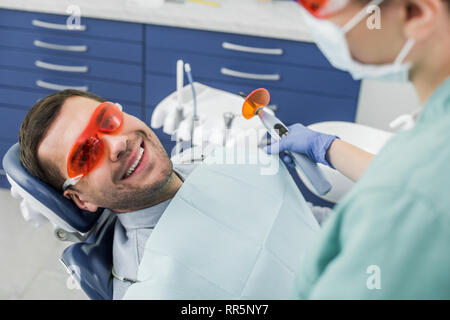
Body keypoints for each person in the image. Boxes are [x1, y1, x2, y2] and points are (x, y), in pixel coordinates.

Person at [264, 0, 450, 298]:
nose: (312, 20)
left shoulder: (407, 199)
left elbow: (414, 191)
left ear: (416, 12)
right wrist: (326, 148)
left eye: (317, 4)